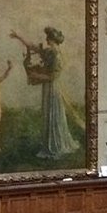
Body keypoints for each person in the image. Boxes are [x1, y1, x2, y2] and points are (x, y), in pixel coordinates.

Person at [10, 26, 78, 158]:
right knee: (48, 114)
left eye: (48, 38)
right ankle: (48, 143)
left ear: (53, 39)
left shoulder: (56, 55)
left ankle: (56, 144)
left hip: (52, 88)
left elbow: (52, 77)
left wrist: (35, 75)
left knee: (53, 114)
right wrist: (19, 36)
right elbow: (33, 47)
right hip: (47, 87)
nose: (46, 40)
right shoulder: (50, 52)